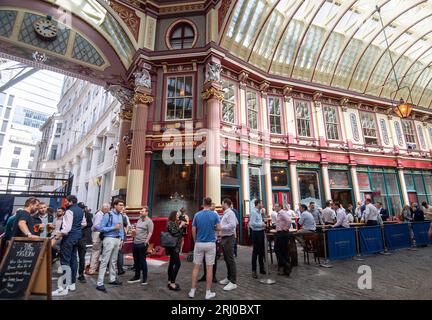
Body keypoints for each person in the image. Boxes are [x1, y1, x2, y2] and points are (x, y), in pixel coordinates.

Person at [52, 195, 87, 296]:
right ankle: (72, 284)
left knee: (65, 261)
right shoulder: (81, 210)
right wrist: (76, 228)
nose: (65, 203)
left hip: (69, 238)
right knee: (73, 259)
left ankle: (63, 288)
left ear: (70, 202)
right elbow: (84, 223)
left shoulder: (69, 211)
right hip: (77, 236)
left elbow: (66, 229)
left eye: (66, 201)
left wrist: (57, 236)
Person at [188, 197, 221, 300]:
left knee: (196, 267)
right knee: (209, 268)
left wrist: (195, 240)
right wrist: (213, 227)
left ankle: (192, 291)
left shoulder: (197, 215)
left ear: (203, 204)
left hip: (199, 243)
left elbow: (193, 229)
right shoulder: (214, 215)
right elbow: (219, 228)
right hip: (210, 243)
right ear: (210, 204)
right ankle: (208, 292)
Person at [96, 199, 125, 293]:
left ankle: (112, 279)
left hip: (117, 240)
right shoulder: (108, 215)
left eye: (122, 205)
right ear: (115, 205)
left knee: (113, 261)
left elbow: (121, 228)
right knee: (105, 261)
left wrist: (122, 239)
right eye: (120, 205)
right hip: (109, 239)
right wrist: (113, 227)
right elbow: (101, 228)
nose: (121, 207)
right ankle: (99, 283)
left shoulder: (120, 215)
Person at [128, 206, 153, 285]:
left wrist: (145, 242)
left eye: (142, 211)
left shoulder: (149, 222)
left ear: (146, 212)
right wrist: (133, 233)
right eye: (140, 211)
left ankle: (144, 278)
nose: (140, 212)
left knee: (142, 261)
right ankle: (137, 277)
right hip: (135, 243)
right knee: (136, 261)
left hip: (142, 244)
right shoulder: (139, 219)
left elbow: (150, 232)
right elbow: (136, 230)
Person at [219, 198, 238, 291]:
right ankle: (229, 278)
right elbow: (236, 222)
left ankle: (233, 282)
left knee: (230, 259)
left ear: (225, 204)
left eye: (222, 203)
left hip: (229, 238)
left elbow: (233, 225)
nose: (221, 204)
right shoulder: (227, 213)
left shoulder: (230, 213)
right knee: (227, 259)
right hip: (225, 238)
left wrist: (221, 227)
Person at [87, 204, 110, 275]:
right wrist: (104, 229)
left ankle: (94, 268)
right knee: (96, 252)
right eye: (107, 209)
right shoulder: (99, 214)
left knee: (96, 252)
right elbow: (96, 225)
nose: (108, 211)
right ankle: (92, 269)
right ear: (104, 209)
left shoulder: (102, 214)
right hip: (97, 234)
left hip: (98, 234)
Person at [249, 199, 266, 279]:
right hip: (256, 233)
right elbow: (252, 224)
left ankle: (262, 268)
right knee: (255, 252)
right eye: (261, 203)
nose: (262, 204)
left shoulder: (260, 212)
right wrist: (261, 224)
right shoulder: (253, 212)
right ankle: (254, 271)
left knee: (261, 251)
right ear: (258, 204)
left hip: (261, 232)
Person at [274, 203, 292, 276]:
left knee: (277, 249)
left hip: (282, 233)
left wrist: (284, 229)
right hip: (280, 232)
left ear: (280, 207)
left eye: (276, 206)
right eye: (274, 206)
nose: (275, 207)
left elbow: (289, 221)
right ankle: (286, 269)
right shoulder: (279, 213)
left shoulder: (282, 212)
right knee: (283, 251)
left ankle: (286, 264)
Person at [76, 202, 92, 283]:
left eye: (83, 208)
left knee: (82, 257)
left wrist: (85, 225)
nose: (82, 210)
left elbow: (90, 223)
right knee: (73, 257)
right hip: (74, 238)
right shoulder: (73, 214)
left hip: (83, 238)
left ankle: (81, 274)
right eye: (81, 208)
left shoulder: (87, 215)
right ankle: (71, 273)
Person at [117, 208, 130, 276]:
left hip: (116, 237)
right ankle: (120, 269)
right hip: (120, 237)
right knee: (120, 253)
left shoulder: (112, 215)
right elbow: (126, 226)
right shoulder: (123, 217)